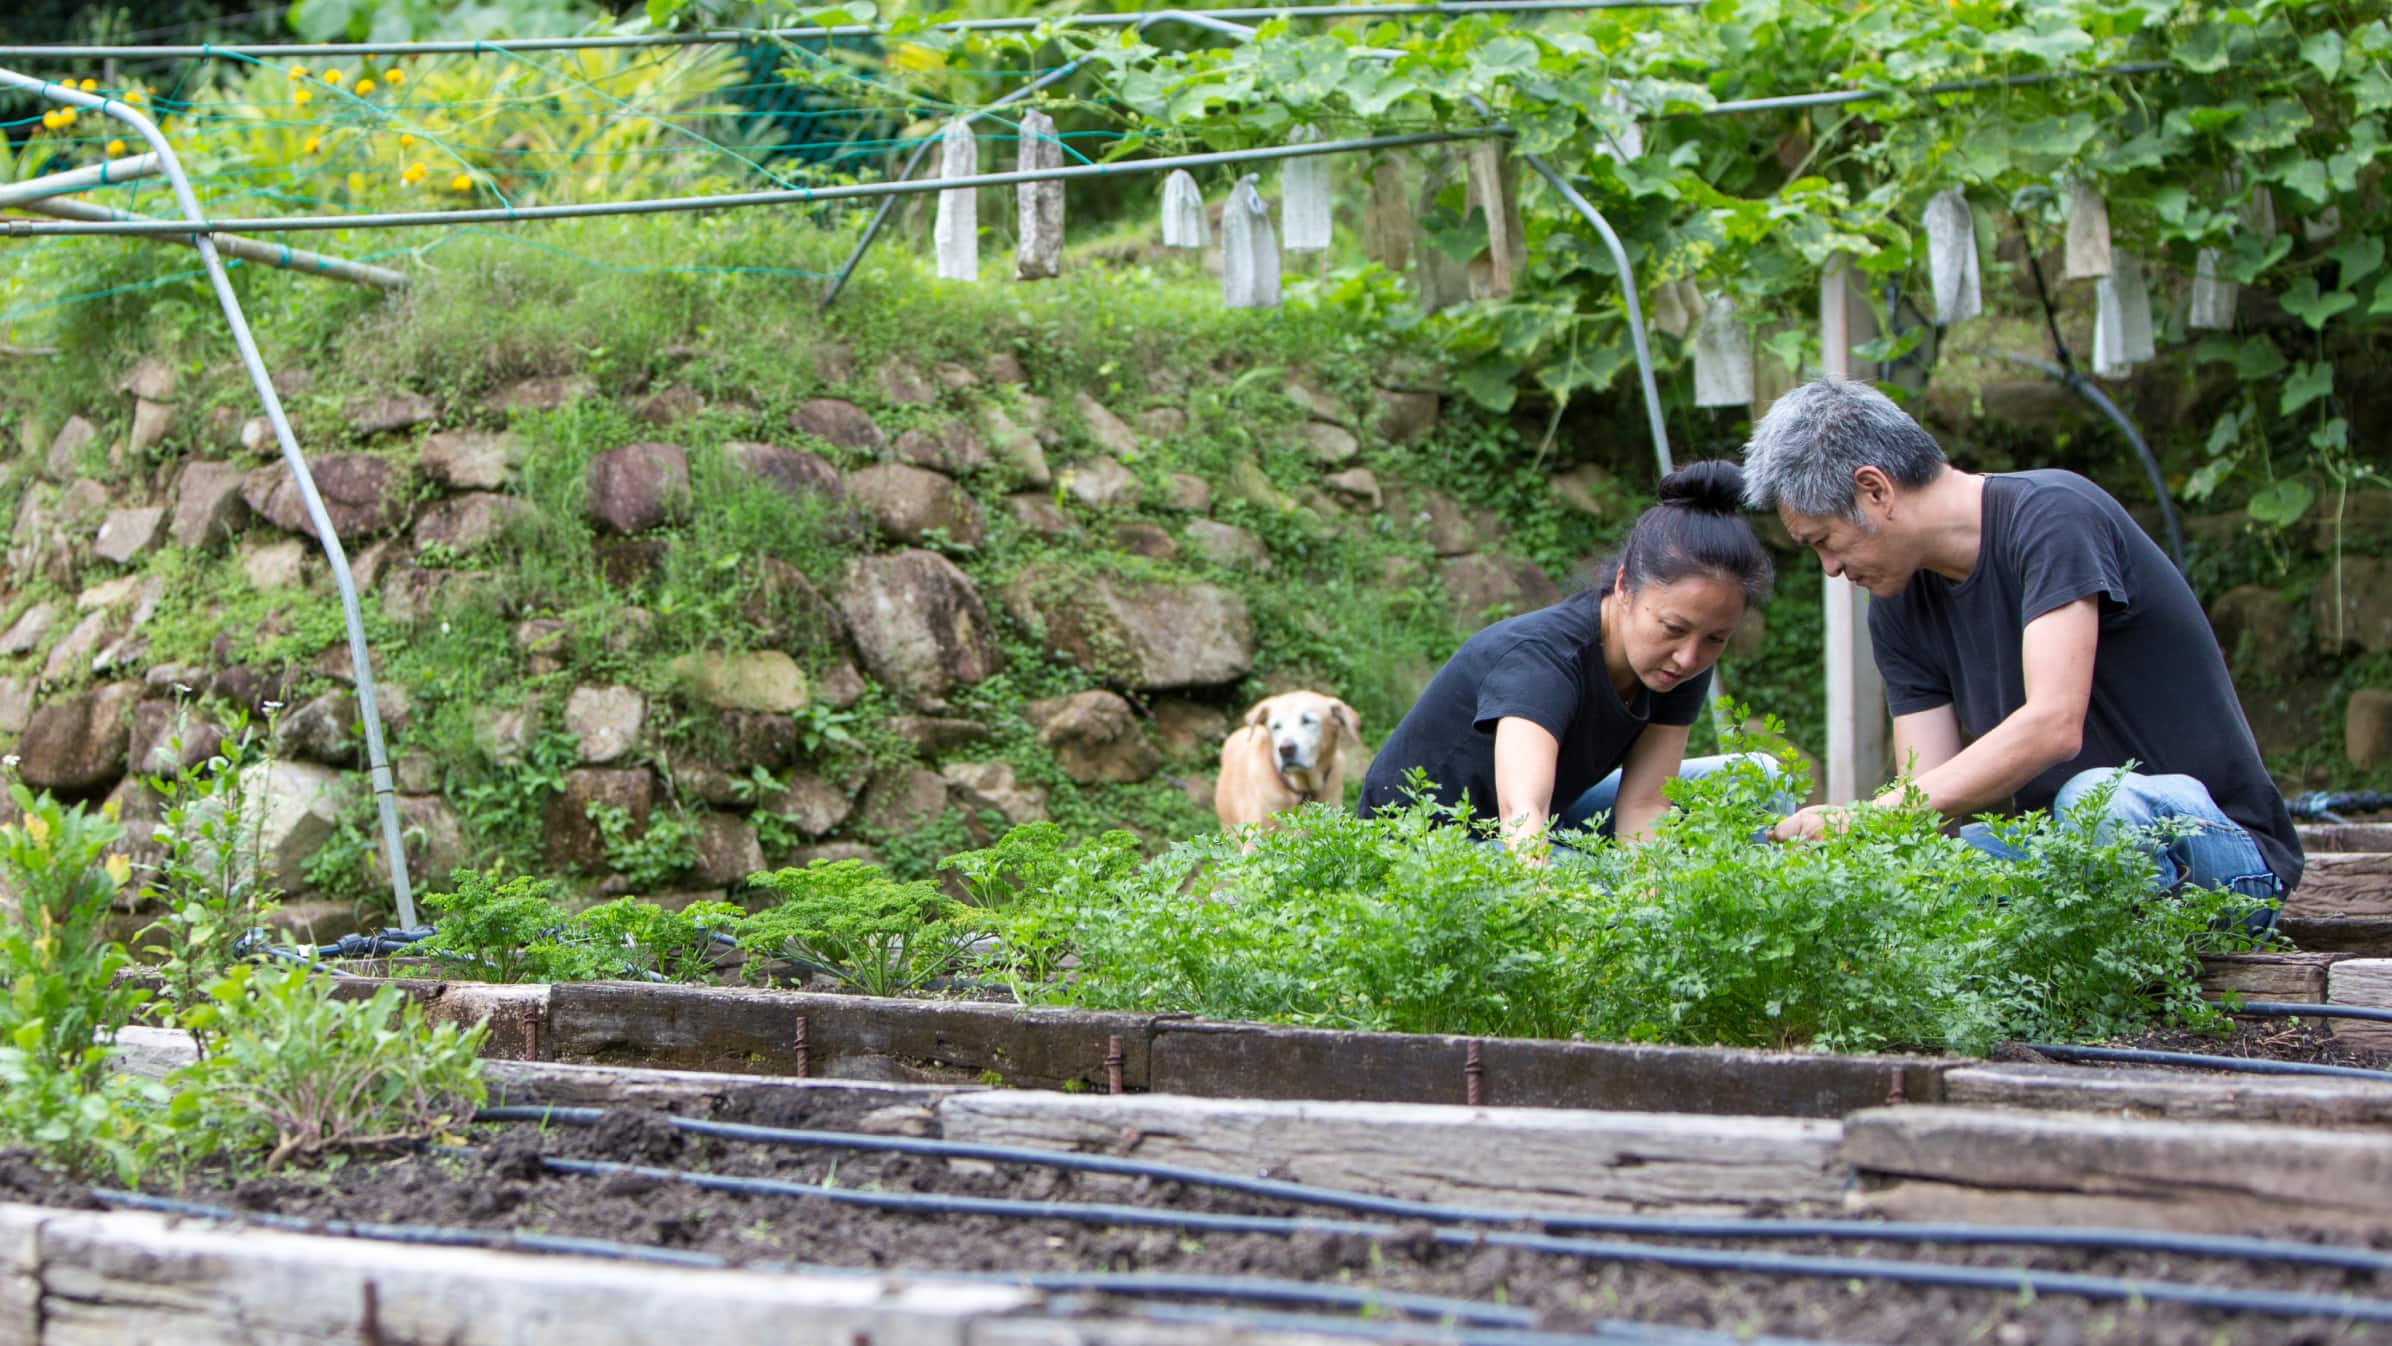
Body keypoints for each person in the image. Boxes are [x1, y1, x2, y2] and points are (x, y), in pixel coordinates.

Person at [1740, 378, 2300, 924]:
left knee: (2100, 801)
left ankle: (2116, 976)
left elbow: (2054, 724)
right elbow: (1923, 802)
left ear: (1876, 490)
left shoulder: (2052, 517)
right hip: (2068, 860)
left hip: (2221, 855)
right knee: (1939, 865)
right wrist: (1849, 851)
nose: (1830, 569)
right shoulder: (1896, 603)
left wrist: (1866, 818)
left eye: (1824, 541)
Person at [1358, 460, 1777, 856]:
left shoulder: (1675, 664)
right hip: (1429, 846)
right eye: (1673, 628)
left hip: (1550, 815)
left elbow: (1646, 806)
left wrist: (1651, 903)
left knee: (1759, 777)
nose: (1689, 657)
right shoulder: (1542, 661)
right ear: (1625, 587)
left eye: (1716, 639)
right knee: (1579, 870)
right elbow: (1522, 821)